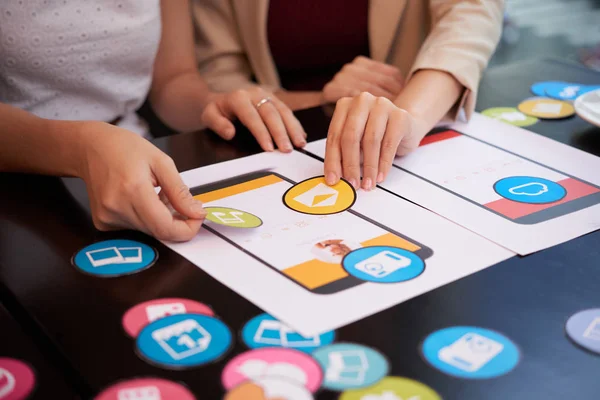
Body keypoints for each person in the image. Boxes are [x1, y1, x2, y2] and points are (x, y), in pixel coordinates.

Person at [0, 0, 305, 242]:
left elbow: (173, 80)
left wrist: (210, 103)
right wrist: (82, 148)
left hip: (140, 159)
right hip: (18, 186)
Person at [193, 0, 504, 190]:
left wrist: (408, 115)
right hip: (284, 140)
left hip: (408, 116)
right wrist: (320, 98)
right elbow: (219, 74)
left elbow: (469, 17)